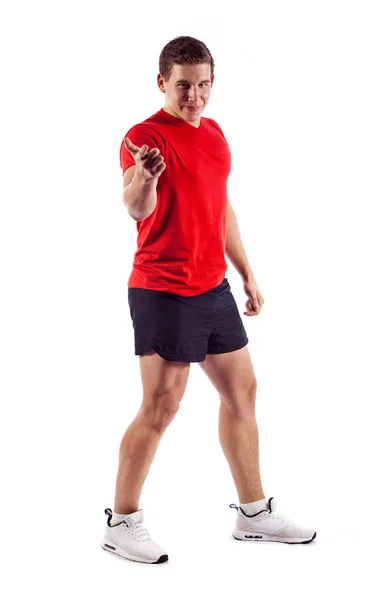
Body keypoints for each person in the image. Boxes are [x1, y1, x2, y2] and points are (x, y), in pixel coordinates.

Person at [100, 36, 316, 564]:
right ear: (161, 84)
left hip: (212, 287)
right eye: (182, 86)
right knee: (162, 405)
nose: (193, 96)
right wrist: (145, 178)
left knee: (243, 391)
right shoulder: (143, 137)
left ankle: (253, 513)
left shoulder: (215, 134)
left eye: (202, 85)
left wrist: (247, 274)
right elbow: (135, 206)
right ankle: (122, 522)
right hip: (163, 289)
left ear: (212, 83)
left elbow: (220, 209)